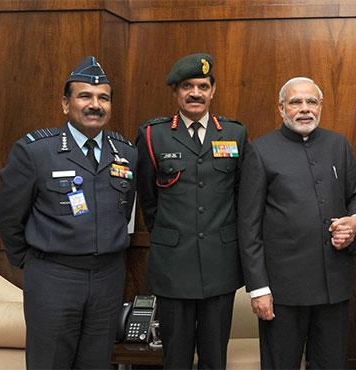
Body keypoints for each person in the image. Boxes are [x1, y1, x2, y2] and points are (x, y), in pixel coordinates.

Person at [0, 56, 137, 369]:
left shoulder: (125, 152)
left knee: (97, 363)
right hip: (53, 277)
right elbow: (8, 218)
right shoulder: (35, 152)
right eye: (84, 96)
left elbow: (125, 210)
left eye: (103, 98)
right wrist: (32, 262)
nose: (95, 105)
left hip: (108, 278)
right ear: (65, 103)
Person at [237, 77, 356, 369]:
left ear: (320, 106)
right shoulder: (260, 151)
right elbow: (248, 226)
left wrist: (355, 221)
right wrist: (259, 289)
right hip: (283, 292)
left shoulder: (338, 144)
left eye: (311, 102)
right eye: (296, 102)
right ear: (282, 108)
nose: (305, 109)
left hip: (333, 287)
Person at [136, 53, 248, 369]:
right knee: (176, 358)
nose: (195, 93)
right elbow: (148, 198)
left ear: (213, 91)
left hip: (219, 264)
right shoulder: (152, 134)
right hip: (173, 265)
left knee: (215, 359)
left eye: (202, 86)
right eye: (187, 86)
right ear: (176, 92)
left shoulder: (235, 133)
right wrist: (171, 234)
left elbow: (241, 196)